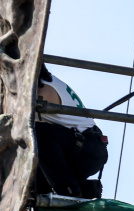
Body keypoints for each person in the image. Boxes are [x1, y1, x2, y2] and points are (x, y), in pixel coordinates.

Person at [34, 63, 108, 199]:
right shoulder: (43, 81)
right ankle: (83, 189)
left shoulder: (43, 91)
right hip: (75, 149)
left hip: (87, 150)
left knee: (35, 133)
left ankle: (69, 192)